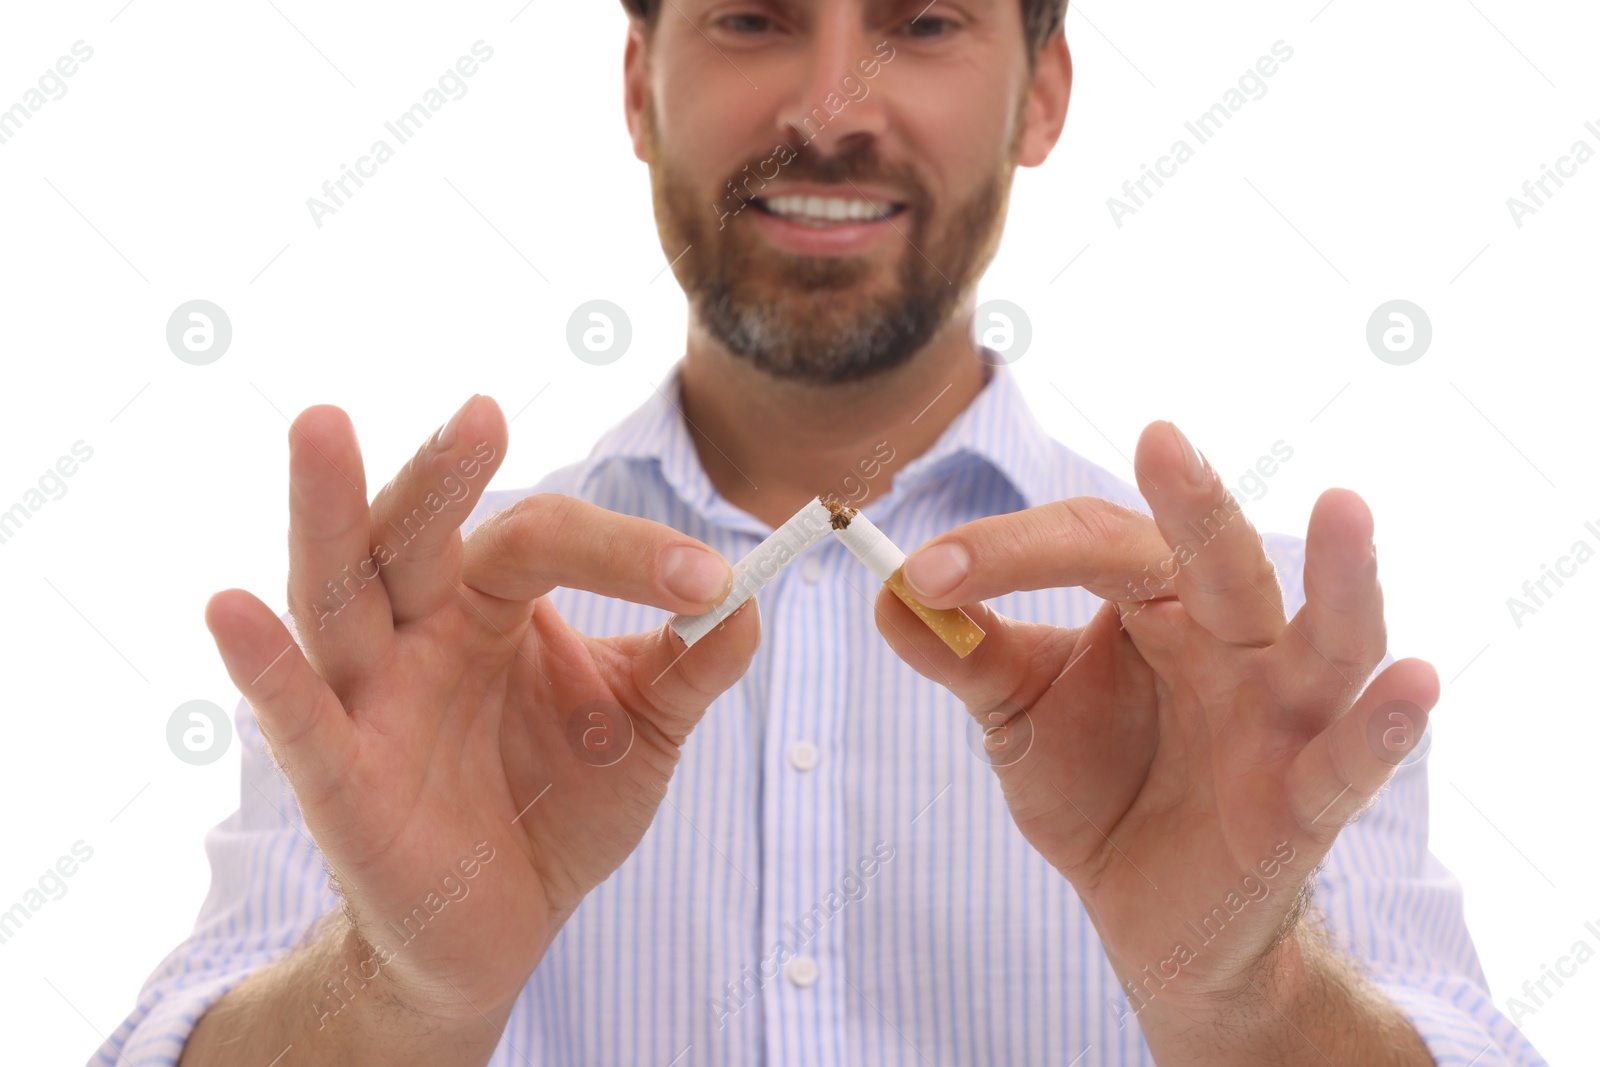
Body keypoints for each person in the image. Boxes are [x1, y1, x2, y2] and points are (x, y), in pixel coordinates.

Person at [94, 1, 1547, 1064]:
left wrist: (1250, 1001)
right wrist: (395, 997)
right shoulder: (429, 633)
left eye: (922, 20)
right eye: (753, 18)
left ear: (1042, 95)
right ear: (638, 88)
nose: (833, 107)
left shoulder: (1245, 651)